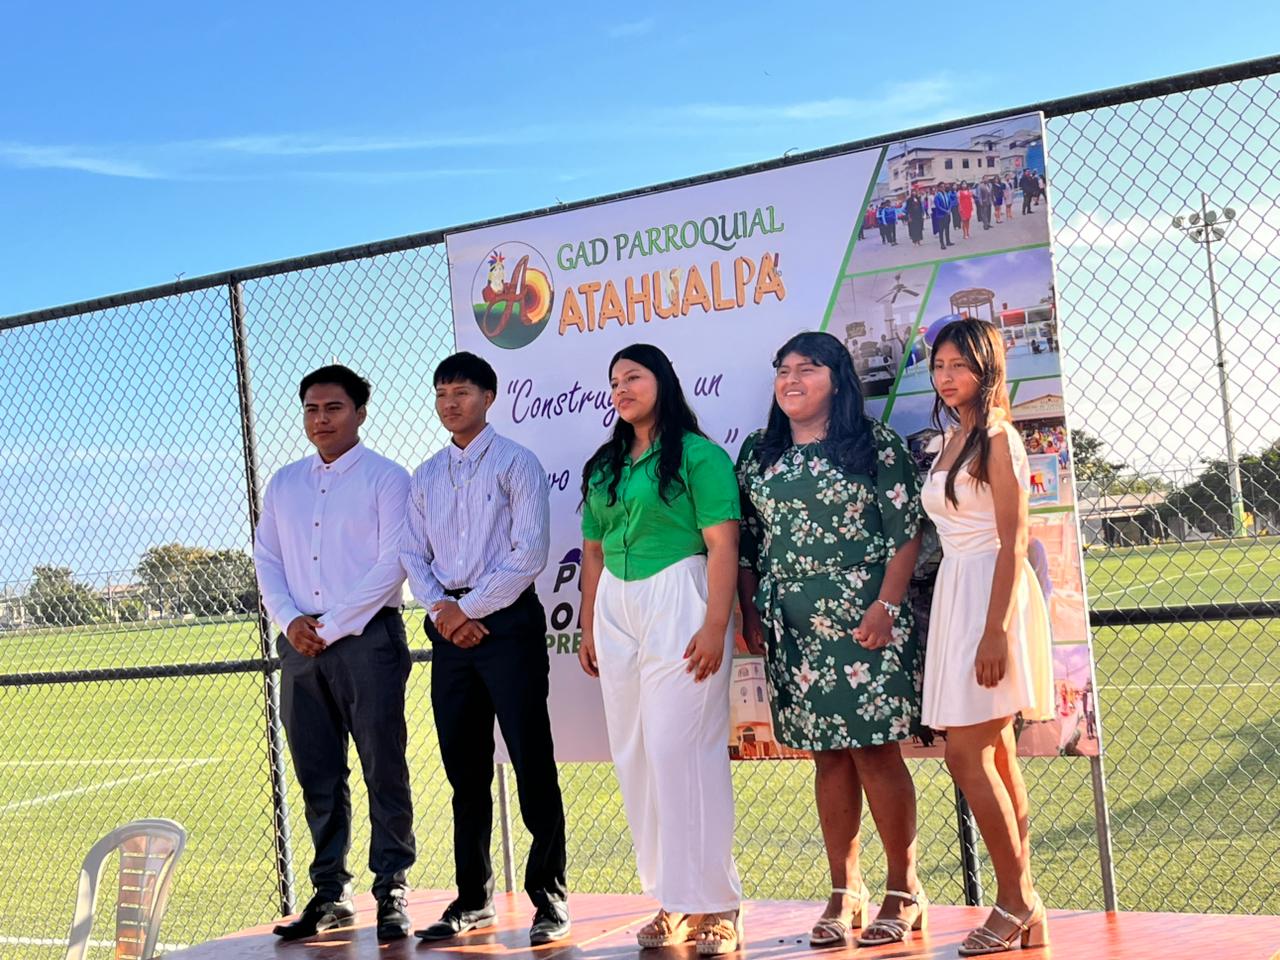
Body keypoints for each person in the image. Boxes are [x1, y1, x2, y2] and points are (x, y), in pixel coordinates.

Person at [736, 332, 927, 949]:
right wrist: (749, 612)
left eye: (808, 369)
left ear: (838, 379)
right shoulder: (758, 452)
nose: (791, 380)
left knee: (875, 752)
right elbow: (746, 544)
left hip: (863, 620)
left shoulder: (875, 444)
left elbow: (906, 533)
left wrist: (885, 606)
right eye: (783, 369)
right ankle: (846, 890)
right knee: (826, 756)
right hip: (791, 626)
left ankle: (904, 889)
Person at [577, 344, 743, 955]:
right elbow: (593, 550)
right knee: (638, 753)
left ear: (663, 382)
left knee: (683, 751)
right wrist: (589, 626)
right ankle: (675, 897)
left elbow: (723, 545)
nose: (621, 389)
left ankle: (717, 903)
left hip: (679, 596)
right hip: (616, 608)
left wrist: (715, 624)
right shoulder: (605, 464)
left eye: (633, 377)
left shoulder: (699, 455)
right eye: (613, 381)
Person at [402, 352, 570, 946]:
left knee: (531, 760)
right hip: (449, 631)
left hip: (507, 624)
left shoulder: (516, 462)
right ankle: (473, 899)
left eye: (463, 392)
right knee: (464, 770)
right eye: (442, 393)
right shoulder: (426, 475)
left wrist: (467, 610)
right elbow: (412, 554)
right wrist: (443, 612)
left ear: (489, 398)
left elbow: (529, 553)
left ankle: (549, 898)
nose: (451, 403)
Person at [253, 365, 415, 942]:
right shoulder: (284, 484)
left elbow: (394, 560)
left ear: (360, 413)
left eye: (334, 408)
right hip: (300, 645)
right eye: (311, 409)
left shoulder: (387, 479)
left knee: (382, 766)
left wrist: (336, 624)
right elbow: (267, 558)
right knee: (317, 773)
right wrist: (291, 621)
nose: (321, 419)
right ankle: (330, 894)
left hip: (367, 640)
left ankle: (392, 889)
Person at [921, 318, 1054, 955]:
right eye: (939, 366)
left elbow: (1014, 540)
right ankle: (1025, 905)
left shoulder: (999, 437)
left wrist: (995, 631)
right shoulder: (952, 436)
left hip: (990, 598)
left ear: (986, 368)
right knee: (995, 755)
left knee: (966, 756)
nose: (946, 377)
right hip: (957, 591)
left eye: (959, 365)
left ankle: (1015, 901)